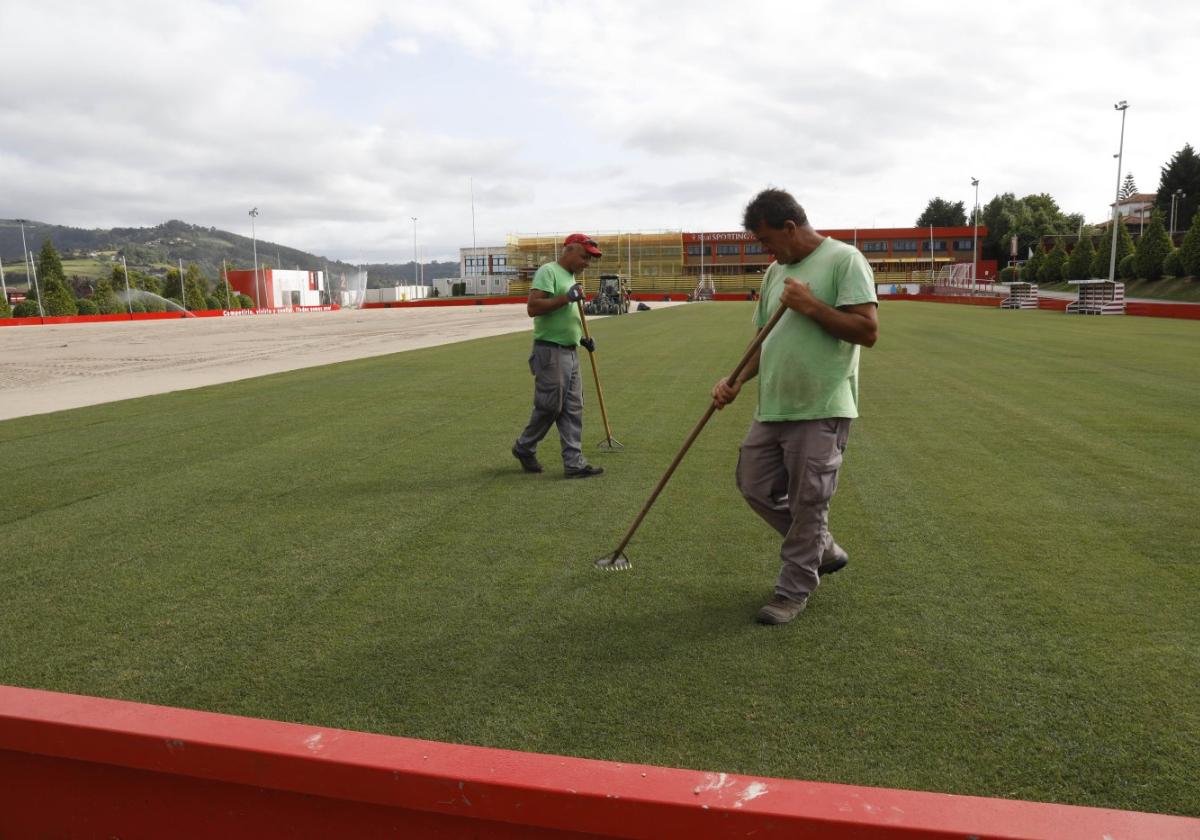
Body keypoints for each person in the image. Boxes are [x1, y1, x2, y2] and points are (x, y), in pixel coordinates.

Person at [712, 189, 879, 625]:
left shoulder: (845, 260)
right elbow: (762, 342)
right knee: (753, 483)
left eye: (767, 241)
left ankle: (792, 591)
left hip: (820, 404)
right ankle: (819, 547)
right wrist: (734, 382)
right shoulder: (774, 273)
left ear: (790, 227)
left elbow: (867, 330)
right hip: (774, 405)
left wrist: (810, 305)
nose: (765, 251)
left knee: (809, 502)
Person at [512, 233, 605, 479]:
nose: (587, 263)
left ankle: (574, 463)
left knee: (574, 408)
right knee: (550, 406)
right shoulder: (548, 271)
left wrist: (582, 339)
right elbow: (533, 308)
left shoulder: (571, 277)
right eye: (584, 257)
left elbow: (569, 316)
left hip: (569, 350)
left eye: (589, 259)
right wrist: (567, 298)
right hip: (550, 351)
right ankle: (524, 447)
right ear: (569, 250)